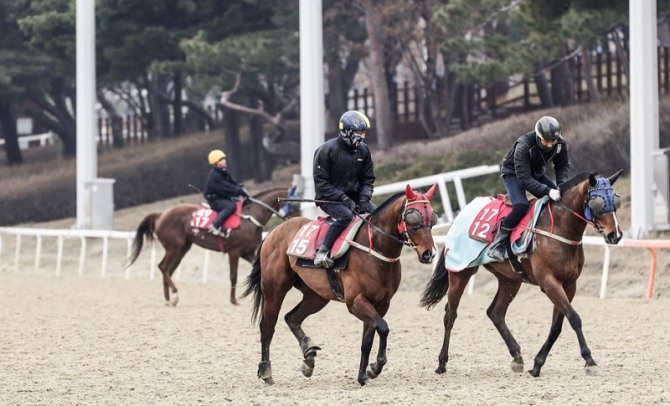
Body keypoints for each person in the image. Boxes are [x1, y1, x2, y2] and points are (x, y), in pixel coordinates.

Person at [488, 115, 570, 262]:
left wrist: (561, 185)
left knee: (561, 200)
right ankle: (497, 244)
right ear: (538, 137)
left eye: (553, 141)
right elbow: (524, 179)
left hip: (536, 173)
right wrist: (548, 191)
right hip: (513, 173)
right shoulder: (524, 146)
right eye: (547, 141)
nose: (550, 145)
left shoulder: (560, 144)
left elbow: (562, 166)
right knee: (521, 206)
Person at [313, 110, 376, 268]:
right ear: (347, 131)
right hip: (328, 198)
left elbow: (367, 179)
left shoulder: (363, 150)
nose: (362, 136)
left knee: (378, 215)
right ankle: (323, 251)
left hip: (354, 197)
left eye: (363, 132)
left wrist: (363, 198)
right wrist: (343, 198)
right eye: (359, 132)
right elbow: (321, 183)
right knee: (345, 216)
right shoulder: (326, 150)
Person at [203, 149, 248, 237]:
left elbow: (232, 183)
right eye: (221, 159)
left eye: (224, 158)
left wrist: (240, 187)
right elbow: (226, 188)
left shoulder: (224, 172)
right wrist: (239, 191)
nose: (224, 160)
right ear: (216, 163)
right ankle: (215, 225)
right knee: (230, 206)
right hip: (215, 200)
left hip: (223, 197)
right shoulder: (215, 176)